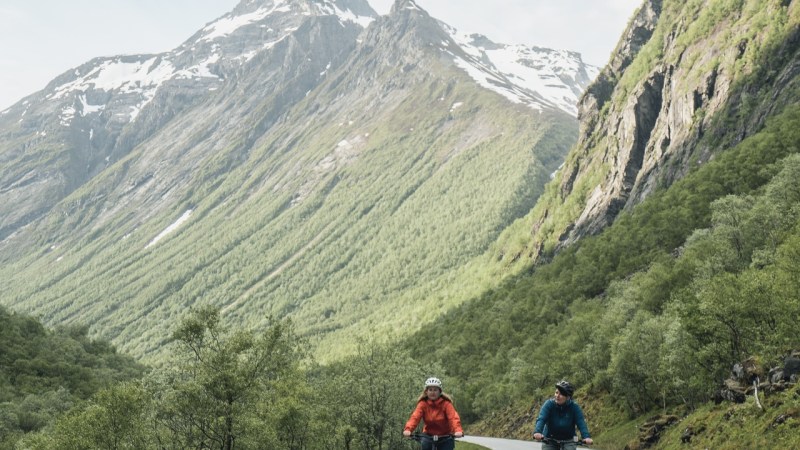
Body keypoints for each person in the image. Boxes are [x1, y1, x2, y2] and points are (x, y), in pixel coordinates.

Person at [403, 377, 464, 450]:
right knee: (425, 445)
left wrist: (458, 430)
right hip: (428, 436)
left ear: (439, 391)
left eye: (435, 390)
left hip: (445, 436)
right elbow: (415, 417)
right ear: (426, 391)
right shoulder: (423, 404)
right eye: (430, 390)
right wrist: (408, 429)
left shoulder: (446, 404)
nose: (433, 392)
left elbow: (453, 418)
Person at [532, 380, 593, 449]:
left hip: (569, 440)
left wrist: (586, 437)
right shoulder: (549, 404)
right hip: (550, 440)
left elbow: (581, 422)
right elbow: (541, 419)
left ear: (568, 397)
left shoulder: (574, 407)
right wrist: (537, 432)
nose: (557, 396)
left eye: (561, 394)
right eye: (556, 392)